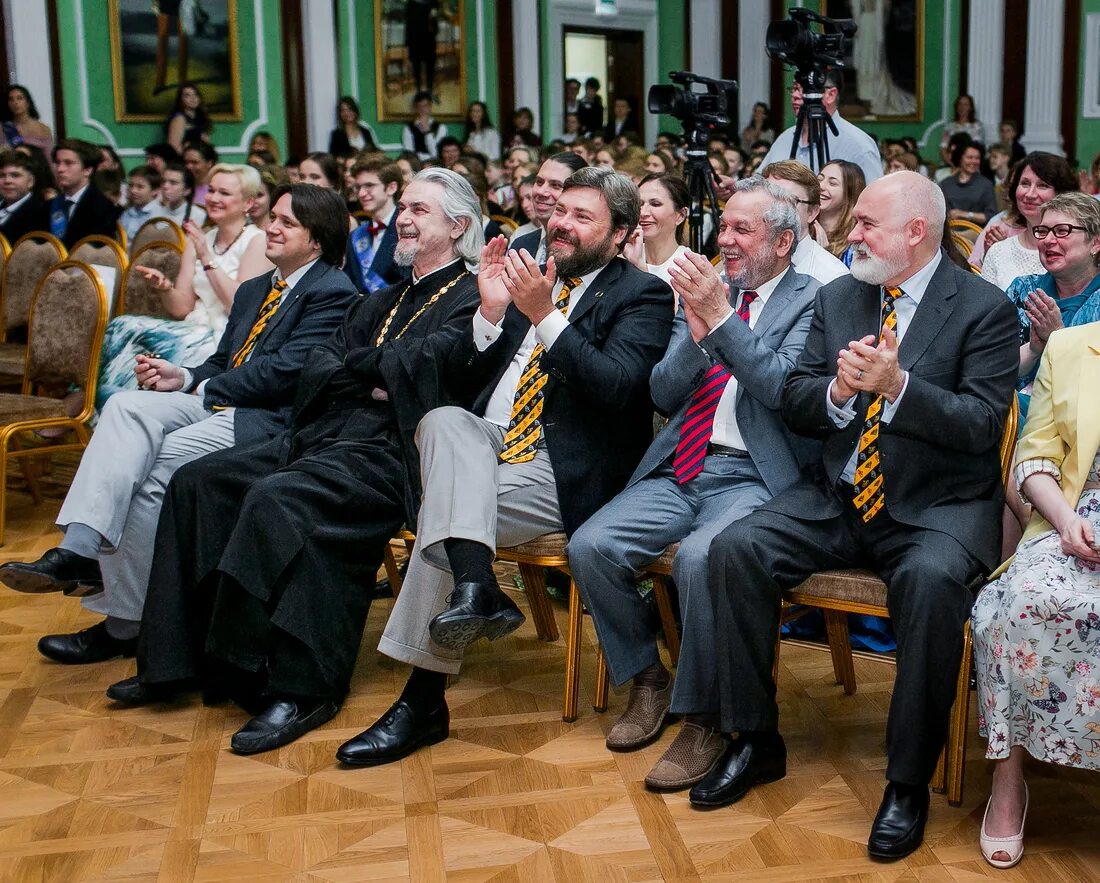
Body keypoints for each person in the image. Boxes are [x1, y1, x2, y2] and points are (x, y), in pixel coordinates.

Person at [110, 169, 484, 755]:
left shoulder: (472, 298)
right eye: (403, 207)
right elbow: (319, 367)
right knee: (198, 480)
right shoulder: (383, 298)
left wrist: (366, 370)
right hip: (323, 434)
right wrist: (374, 370)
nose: (402, 220)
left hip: (395, 453)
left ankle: (298, 683)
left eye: (419, 210)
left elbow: (433, 368)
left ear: (457, 227)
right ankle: (178, 659)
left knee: (284, 497)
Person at [701, 171, 1019, 860]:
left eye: (868, 221)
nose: (852, 233)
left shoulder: (984, 309)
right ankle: (754, 739)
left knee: (932, 588)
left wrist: (900, 386)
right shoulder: (842, 296)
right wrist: (839, 392)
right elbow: (798, 399)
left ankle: (906, 784)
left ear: (916, 231)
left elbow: (981, 424)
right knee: (736, 550)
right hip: (841, 495)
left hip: (936, 506)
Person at [335, 166, 675, 767]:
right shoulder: (523, 275)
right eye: (560, 211)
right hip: (486, 443)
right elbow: (460, 381)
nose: (561, 224)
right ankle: (476, 586)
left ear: (621, 234)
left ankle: (424, 697)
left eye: (582, 217)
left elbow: (619, 389)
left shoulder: (640, 294)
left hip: (560, 465)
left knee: (446, 514)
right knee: (441, 421)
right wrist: (489, 316)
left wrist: (545, 315)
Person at [0, 185, 359, 664]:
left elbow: (287, 372)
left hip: (269, 420)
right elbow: (223, 361)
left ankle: (127, 623)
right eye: (272, 216)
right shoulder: (257, 289)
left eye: (287, 222)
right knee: (125, 406)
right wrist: (184, 375)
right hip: (223, 402)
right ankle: (81, 548)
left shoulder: (333, 292)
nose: (271, 226)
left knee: (155, 468)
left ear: (317, 241)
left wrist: (202, 387)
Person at [568, 177, 819, 791]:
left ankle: (705, 718)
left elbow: (783, 391)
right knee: (590, 546)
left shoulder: (816, 301)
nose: (724, 241)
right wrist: (699, 334)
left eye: (741, 230)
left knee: (703, 559)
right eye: (722, 228)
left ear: (784, 241)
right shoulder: (705, 288)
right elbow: (662, 390)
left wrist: (724, 321)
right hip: (684, 462)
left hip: (754, 474)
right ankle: (647, 678)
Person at [971, 322, 1100, 870]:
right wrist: (1067, 521)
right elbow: (1035, 457)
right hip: (1075, 517)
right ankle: (1008, 779)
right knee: (1019, 603)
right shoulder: (1073, 347)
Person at [96, 164, 270, 409]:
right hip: (192, 325)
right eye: (211, 191)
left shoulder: (257, 240)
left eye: (224, 193)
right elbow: (181, 308)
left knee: (131, 331)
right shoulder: (202, 237)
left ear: (248, 203)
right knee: (123, 332)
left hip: (224, 334)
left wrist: (205, 256)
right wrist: (165, 287)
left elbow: (238, 307)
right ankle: (111, 407)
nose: (214, 198)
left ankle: (121, 409)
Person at [1004, 191, 1100, 420]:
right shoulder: (1023, 291)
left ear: (1096, 243)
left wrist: (1058, 338)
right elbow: (993, 371)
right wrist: (1035, 348)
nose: (1047, 240)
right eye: (1042, 231)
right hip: (1015, 412)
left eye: (1062, 231)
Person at [760, 73, 883, 185]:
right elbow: (759, 183)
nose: (795, 95)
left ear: (830, 95)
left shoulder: (859, 145)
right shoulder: (785, 138)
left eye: (804, 89)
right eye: (794, 89)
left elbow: (875, 201)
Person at [981, 152, 1078, 290]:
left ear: (1062, 194)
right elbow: (986, 308)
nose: (1030, 194)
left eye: (1042, 185)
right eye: (1025, 184)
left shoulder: (1075, 253)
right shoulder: (998, 252)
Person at [763, 160, 850, 285]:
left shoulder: (832, 277)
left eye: (790, 201)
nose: (775, 209)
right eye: (768, 198)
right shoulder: (743, 259)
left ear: (812, 213)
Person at [508, 152, 588, 262]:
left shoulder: (587, 250)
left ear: (581, 192)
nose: (541, 192)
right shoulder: (521, 245)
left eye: (555, 185)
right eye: (539, 182)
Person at [345, 157, 408, 294]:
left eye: (369, 186)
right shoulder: (356, 236)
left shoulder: (408, 229)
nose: (361, 193)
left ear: (392, 187)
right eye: (358, 187)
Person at [621, 173, 692, 292]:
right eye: (640, 204)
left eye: (655, 204)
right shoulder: (624, 255)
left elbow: (669, 310)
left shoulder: (690, 267)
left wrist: (639, 268)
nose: (643, 212)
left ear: (681, 215)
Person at [48, 139, 122, 248]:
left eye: (68, 163)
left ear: (88, 170)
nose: (60, 169)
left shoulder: (104, 208)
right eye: (57, 163)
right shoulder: (47, 206)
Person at [816, 159, 866, 263]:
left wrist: (824, 256)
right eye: (820, 179)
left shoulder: (856, 241)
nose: (821, 186)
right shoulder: (803, 227)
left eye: (832, 183)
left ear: (849, 194)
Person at [940, 141, 997, 226]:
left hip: (974, 232)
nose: (974, 161)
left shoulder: (986, 185)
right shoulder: (946, 183)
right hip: (949, 230)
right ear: (960, 158)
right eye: (970, 157)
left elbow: (990, 216)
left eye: (977, 158)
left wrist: (964, 214)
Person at [0, 150, 49, 243]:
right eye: (2, 175)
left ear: (31, 181)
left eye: (15, 175)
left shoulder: (40, 214)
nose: (7, 181)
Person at [118, 164, 168, 243]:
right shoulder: (127, 213)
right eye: (131, 185)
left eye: (140, 187)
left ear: (155, 190)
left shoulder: (160, 216)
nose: (133, 190)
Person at [1, 84, 53, 153]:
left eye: (19, 98)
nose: (15, 102)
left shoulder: (43, 129)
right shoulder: (4, 128)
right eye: (11, 99)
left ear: (28, 102)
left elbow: (49, 159)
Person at [156, 159, 206, 227]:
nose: (165, 186)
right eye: (163, 181)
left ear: (187, 190)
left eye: (173, 183)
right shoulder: (155, 211)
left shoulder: (198, 215)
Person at [164, 83, 211, 154]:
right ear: (181, 100)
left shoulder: (200, 118)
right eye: (187, 95)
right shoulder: (179, 118)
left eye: (195, 95)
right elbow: (173, 147)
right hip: (184, 161)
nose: (193, 98)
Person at [406, 0, 439, 97]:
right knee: (416, 67)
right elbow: (408, 25)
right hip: (415, 41)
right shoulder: (411, 4)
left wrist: (433, 22)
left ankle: (429, 90)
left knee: (430, 67)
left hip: (429, 40)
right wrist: (407, 44)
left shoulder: (433, 3)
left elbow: (435, 25)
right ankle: (418, 91)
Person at [939, 94, 986, 163]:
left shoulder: (977, 126)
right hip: (952, 163)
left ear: (970, 107)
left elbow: (979, 149)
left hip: (971, 163)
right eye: (960, 104)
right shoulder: (949, 126)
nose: (962, 107)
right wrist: (951, 164)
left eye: (965, 104)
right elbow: (943, 148)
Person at [403, 91, 448, 162]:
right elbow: (409, 152)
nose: (422, 109)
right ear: (416, 108)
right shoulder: (409, 127)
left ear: (430, 107)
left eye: (425, 106)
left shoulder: (441, 127)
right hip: (416, 165)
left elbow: (436, 153)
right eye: (419, 106)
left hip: (435, 164)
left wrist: (427, 131)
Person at [182, 141, 218, 207]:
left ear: (209, 163)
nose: (188, 166)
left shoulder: (216, 190)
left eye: (194, 162)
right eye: (186, 162)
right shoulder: (180, 187)